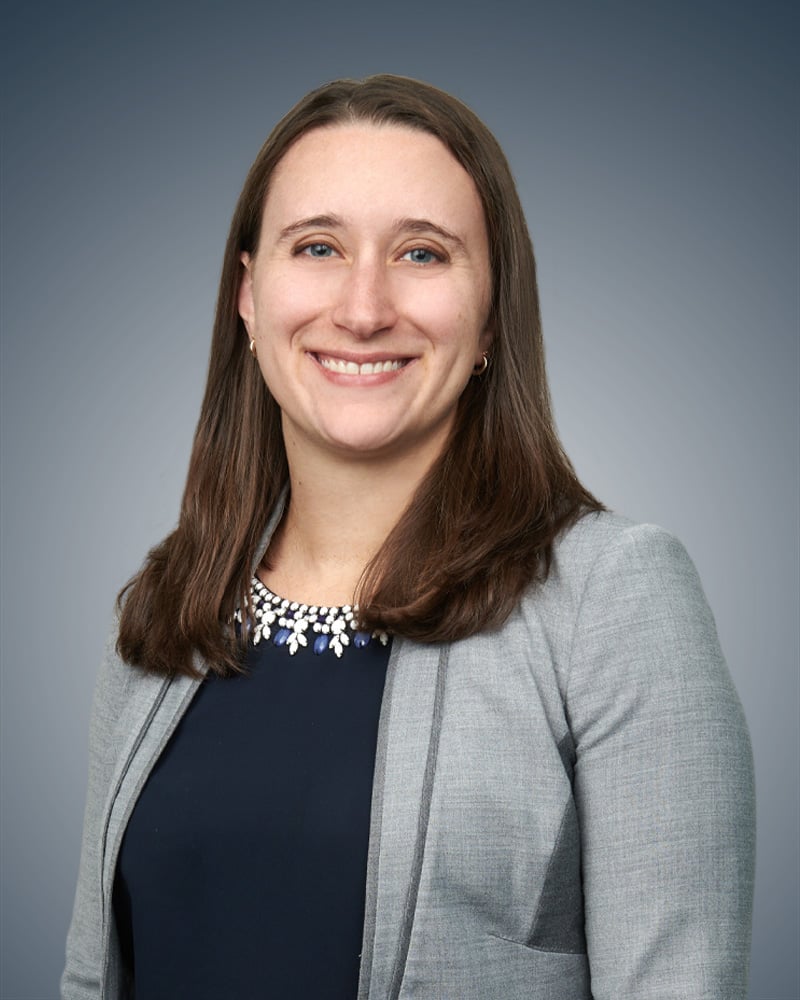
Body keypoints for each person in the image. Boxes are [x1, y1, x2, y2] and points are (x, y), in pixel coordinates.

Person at [61, 75, 755, 999]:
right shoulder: (160, 615)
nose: (362, 307)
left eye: (423, 255)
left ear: (491, 315)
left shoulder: (614, 600)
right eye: (317, 246)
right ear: (248, 296)